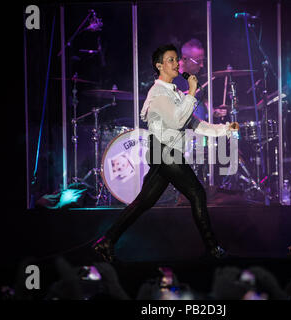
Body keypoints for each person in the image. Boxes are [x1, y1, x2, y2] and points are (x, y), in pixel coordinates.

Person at [93, 44, 239, 262]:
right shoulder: (158, 93)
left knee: (143, 202)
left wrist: (226, 128)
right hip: (165, 152)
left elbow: (196, 124)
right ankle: (213, 249)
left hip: (166, 153)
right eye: (170, 60)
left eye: (176, 59)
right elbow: (176, 120)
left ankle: (106, 241)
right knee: (197, 193)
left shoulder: (176, 94)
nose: (176, 63)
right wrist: (192, 92)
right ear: (159, 65)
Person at [173, 38, 227, 121]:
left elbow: (202, 99)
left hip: (198, 129)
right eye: (198, 61)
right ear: (185, 59)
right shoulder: (170, 77)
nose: (201, 65)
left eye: (203, 60)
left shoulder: (196, 75)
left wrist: (212, 111)